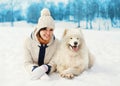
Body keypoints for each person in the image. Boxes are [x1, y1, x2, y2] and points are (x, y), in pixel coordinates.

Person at [24, 8, 59, 80]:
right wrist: (36, 71)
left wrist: (45, 68)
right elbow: (27, 62)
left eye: (51, 30)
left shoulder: (57, 44)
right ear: (39, 29)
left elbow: (55, 62)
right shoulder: (28, 42)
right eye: (45, 29)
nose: (48, 33)